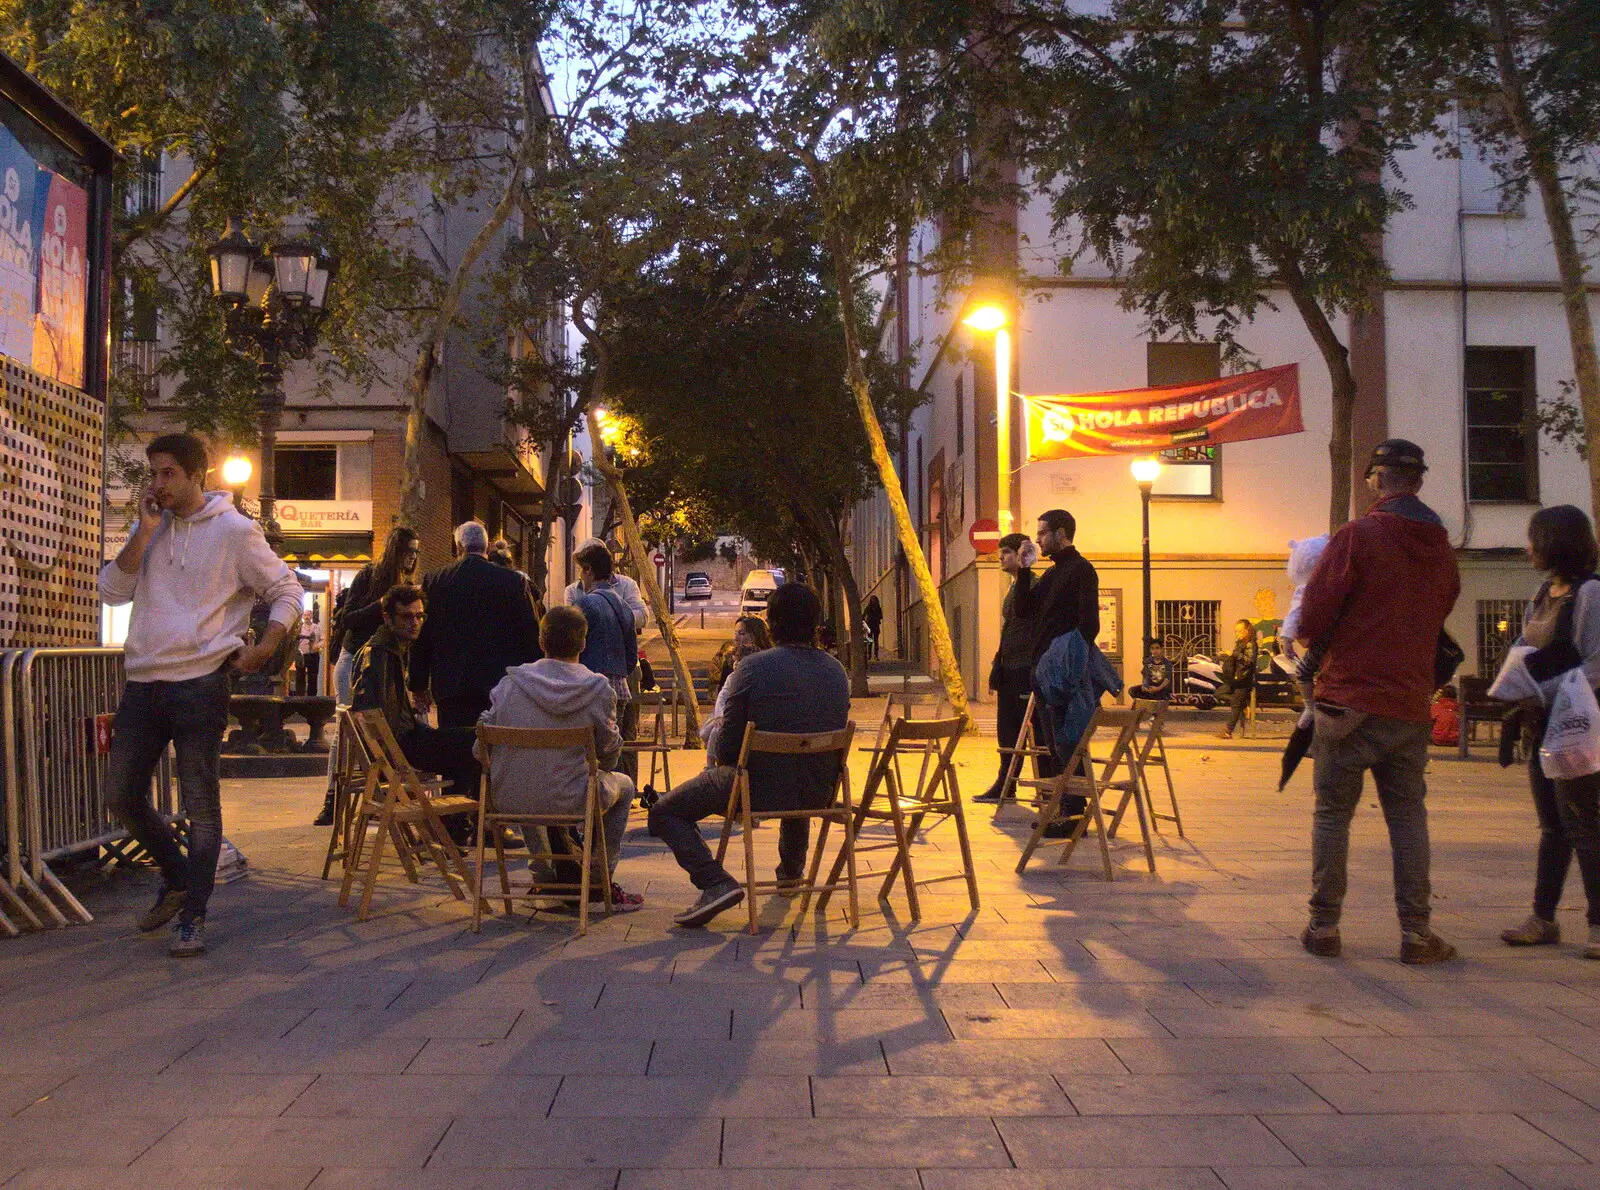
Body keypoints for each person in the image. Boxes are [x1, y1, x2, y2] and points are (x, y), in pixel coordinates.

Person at [99, 433, 302, 957]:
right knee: (121, 794)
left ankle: (193, 915)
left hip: (201, 681)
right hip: (144, 680)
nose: (159, 484)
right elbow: (111, 591)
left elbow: (287, 590)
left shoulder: (235, 532)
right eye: (154, 474)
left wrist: (266, 648)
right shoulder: (151, 528)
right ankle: (177, 875)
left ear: (196, 476)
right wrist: (143, 533)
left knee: (199, 805)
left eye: (169, 474)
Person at [1295, 439, 1461, 965]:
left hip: (1347, 699)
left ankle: (1325, 927)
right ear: (1418, 482)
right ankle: (1416, 935)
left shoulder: (1357, 536)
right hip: (1410, 702)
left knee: (1331, 816)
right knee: (1408, 817)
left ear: (1374, 480)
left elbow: (1314, 615)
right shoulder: (1440, 544)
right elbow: (1444, 604)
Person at [649, 582, 850, 928]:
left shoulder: (752, 669)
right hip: (820, 792)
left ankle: (714, 882)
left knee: (665, 810)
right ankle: (790, 875)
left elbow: (727, 749)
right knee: (798, 766)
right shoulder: (836, 672)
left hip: (754, 789)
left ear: (771, 622)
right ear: (816, 623)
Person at [476, 604, 643, 910]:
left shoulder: (510, 684)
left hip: (509, 800)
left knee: (524, 773)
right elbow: (609, 753)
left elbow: (481, 747)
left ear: (541, 642)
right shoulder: (597, 689)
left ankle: (543, 874)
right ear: (584, 643)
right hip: (571, 800)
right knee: (625, 786)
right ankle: (597, 878)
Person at [1496, 506, 1600, 958]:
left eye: (1533, 538)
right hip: (1541, 722)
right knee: (1553, 825)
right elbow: (1526, 647)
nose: (1527, 547)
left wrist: (1548, 686)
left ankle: (1598, 925)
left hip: (1577, 723)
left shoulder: (1591, 593)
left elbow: (1593, 661)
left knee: (1584, 823)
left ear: (1555, 541)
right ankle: (1543, 918)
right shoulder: (1544, 592)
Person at [350, 584, 480, 809]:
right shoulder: (381, 654)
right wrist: (391, 764)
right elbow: (380, 719)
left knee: (473, 741)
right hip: (402, 748)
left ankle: (456, 824)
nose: (415, 623)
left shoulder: (389, 648)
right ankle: (460, 825)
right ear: (388, 619)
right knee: (476, 745)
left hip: (407, 740)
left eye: (420, 616)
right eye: (407, 616)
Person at [1013, 509, 1099, 834]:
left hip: (1063, 676)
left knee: (1068, 744)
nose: (1037, 539)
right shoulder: (1051, 575)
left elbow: (1090, 624)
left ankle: (1072, 814)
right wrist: (1023, 570)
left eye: (1042, 532)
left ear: (1060, 533)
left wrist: (1063, 662)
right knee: (1056, 747)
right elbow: (1024, 611)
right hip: (1046, 677)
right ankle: (1069, 811)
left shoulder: (1081, 571)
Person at [409, 521, 542, 730]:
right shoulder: (512, 582)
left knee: (455, 748)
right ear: (487, 548)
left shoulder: (435, 581)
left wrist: (418, 684)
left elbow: (423, 636)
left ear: (459, 547)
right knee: (495, 750)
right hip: (498, 686)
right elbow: (530, 636)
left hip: (451, 687)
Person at [976, 532, 1039, 804]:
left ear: (1021, 554)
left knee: (1025, 729)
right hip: (1009, 666)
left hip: (1024, 668)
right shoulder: (1013, 586)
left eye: (1007, 553)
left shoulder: (1032, 585)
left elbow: (1028, 622)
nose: (1001, 557)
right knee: (1006, 729)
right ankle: (1006, 783)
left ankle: (1015, 784)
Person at [573, 541, 641, 784]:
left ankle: (592, 809)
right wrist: (620, 671)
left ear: (589, 570)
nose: (581, 576)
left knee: (589, 755)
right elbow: (632, 652)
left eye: (582, 570)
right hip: (620, 687)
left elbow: (572, 649)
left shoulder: (584, 604)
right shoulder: (622, 605)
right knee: (614, 751)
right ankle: (614, 799)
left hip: (591, 689)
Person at [332, 527, 420, 706]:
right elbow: (348, 619)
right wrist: (380, 604)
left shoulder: (406, 584)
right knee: (348, 727)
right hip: (353, 659)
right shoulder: (369, 575)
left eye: (416, 551)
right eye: (409, 551)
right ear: (396, 551)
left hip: (383, 665)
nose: (413, 556)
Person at [702, 615, 773, 759]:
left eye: (741, 633)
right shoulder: (730, 660)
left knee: (715, 732)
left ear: (755, 635)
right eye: (735, 633)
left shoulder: (768, 662)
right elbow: (723, 693)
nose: (736, 638)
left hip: (748, 723)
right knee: (709, 731)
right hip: (730, 712)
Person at [564, 537, 647, 630]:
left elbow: (643, 616)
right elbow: (570, 625)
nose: (581, 574)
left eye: (583, 568)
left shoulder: (627, 584)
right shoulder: (571, 590)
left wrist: (611, 618)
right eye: (580, 568)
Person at [1217, 620, 1260, 739]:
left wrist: (1234, 654)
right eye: (1236, 631)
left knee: (1236, 701)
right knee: (1219, 693)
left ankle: (1228, 731)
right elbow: (1236, 659)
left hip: (1244, 680)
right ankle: (1242, 705)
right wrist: (1227, 655)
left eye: (1240, 630)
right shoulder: (1240, 643)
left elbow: (1249, 661)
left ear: (1248, 631)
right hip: (1236, 679)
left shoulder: (1252, 644)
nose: (1238, 633)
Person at [297, 608, 323, 696]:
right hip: (301, 655)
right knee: (300, 677)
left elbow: (324, 640)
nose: (307, 617)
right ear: (302, 617)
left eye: (308, 615)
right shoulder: (299, 628)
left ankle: (312, 699)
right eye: (305, 615)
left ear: (311, 616)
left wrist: (317, 646)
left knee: (313, 677)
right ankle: (299, 698)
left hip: (314, 655)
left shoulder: (318, 627)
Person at [863, 594, 884, 660]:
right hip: (870, 626)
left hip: (876, 626)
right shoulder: (868, 607)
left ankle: (875, 655)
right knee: (870, 641)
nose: (873, 601)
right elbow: (863, 615)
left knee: (875, 641)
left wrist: (876, 618)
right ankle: (870, 655)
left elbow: (881, 616)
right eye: (872, 599)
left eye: (874, 599)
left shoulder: (878, 608)